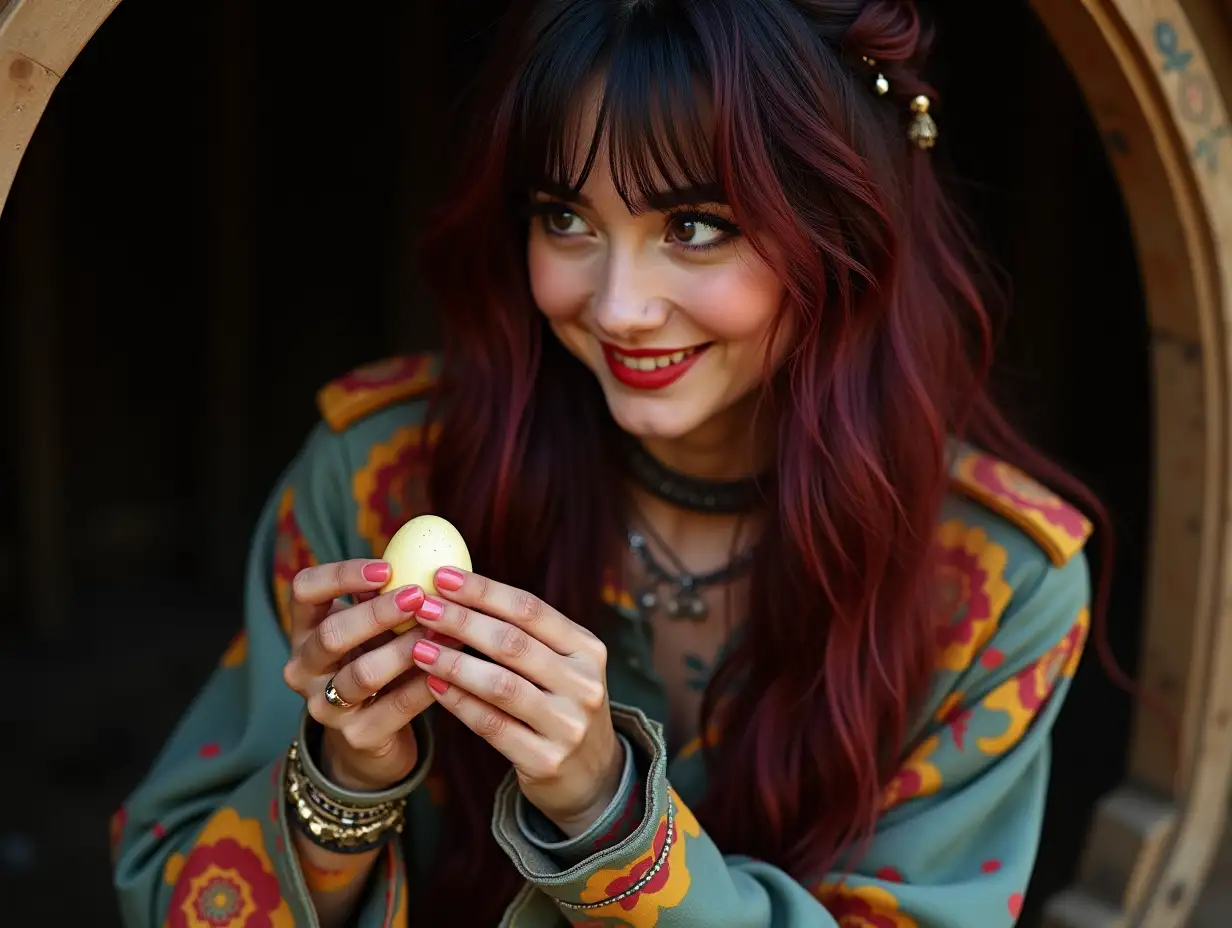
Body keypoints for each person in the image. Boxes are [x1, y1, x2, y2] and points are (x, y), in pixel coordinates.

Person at [111, 1, 1102, 925]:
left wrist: (607, 814)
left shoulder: (992, 582)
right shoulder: (380, 474)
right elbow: (166, 897)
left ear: (844, 231)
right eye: (566, 217)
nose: (618, 305)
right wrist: (344, 777)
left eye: (694, 226)